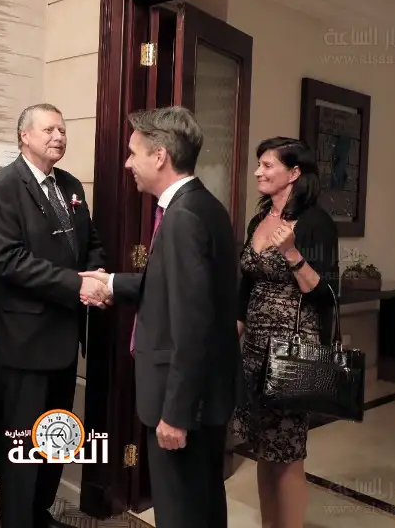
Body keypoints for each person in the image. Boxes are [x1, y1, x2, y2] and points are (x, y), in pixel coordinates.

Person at [81, 106, 241, 528]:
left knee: (181, 513)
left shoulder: (182, 218)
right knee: (203, 507)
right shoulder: (204, 205)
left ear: (160, 156)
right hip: (205, 395)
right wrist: (111, 282)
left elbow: (193, 324)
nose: (127, 163)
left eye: (133, 153)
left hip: (184, 401)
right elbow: (176, 288)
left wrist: (177, 413)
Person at [0, 103, 107, 528]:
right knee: (22, 442)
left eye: (63, 130)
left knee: (57, 432)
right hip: (24, 336)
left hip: (66, 333)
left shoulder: (70, 184)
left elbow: (91, 243)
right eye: (49, 130)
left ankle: (41, 513)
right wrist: (76, 284)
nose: (59, 137)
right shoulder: (3, 186)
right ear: (25, 136)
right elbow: (9, 260)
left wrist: (98, 274)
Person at [231, 136, 338, 528]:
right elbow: (245, 288)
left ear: (293, 173)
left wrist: (292, 253)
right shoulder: (259, 219)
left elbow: (327, 295)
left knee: (288, 454)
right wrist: (232, 337)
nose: (258, 172)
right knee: (263, 447)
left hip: (293, 351)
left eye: (267, 165)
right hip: (255, 350)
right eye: (259, 164)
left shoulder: (316, 223)